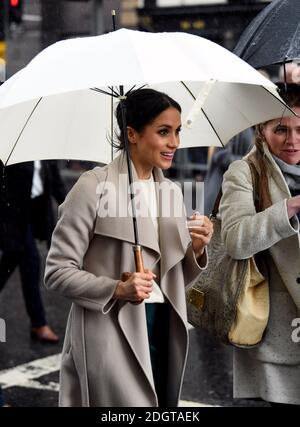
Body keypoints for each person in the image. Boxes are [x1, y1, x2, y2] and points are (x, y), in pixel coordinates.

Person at [44, 88, 213, 407]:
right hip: (111, 333)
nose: (174, 143)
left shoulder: (172, 193)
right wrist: (117, 288)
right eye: (164, 132)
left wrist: (198, 248)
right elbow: (56, 272)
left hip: (163, 327)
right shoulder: (92, 187)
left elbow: (175, 278)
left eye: (177, 132)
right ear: (132, 133)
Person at [219, 83, 300, 406]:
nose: (293, 140)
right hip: (282, 333)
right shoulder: (245, 173)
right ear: (261, 129)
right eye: (281, 129)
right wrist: (290, 208)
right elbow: (236, 240)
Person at [0, 160, 66, 342]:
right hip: (11, 217)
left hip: (32, 214)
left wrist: (73, 208)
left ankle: (38, 324)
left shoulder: (45, 152)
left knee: (12, 262)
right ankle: (39, 323)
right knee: (31, 262)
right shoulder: (12, 149)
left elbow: (56, 184)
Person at [204, 128, 254, 215]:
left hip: (240, 190)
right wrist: (248, 161)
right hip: (220, 187)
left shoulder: (255, 129)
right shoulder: (236, 127)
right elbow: (220, 155)